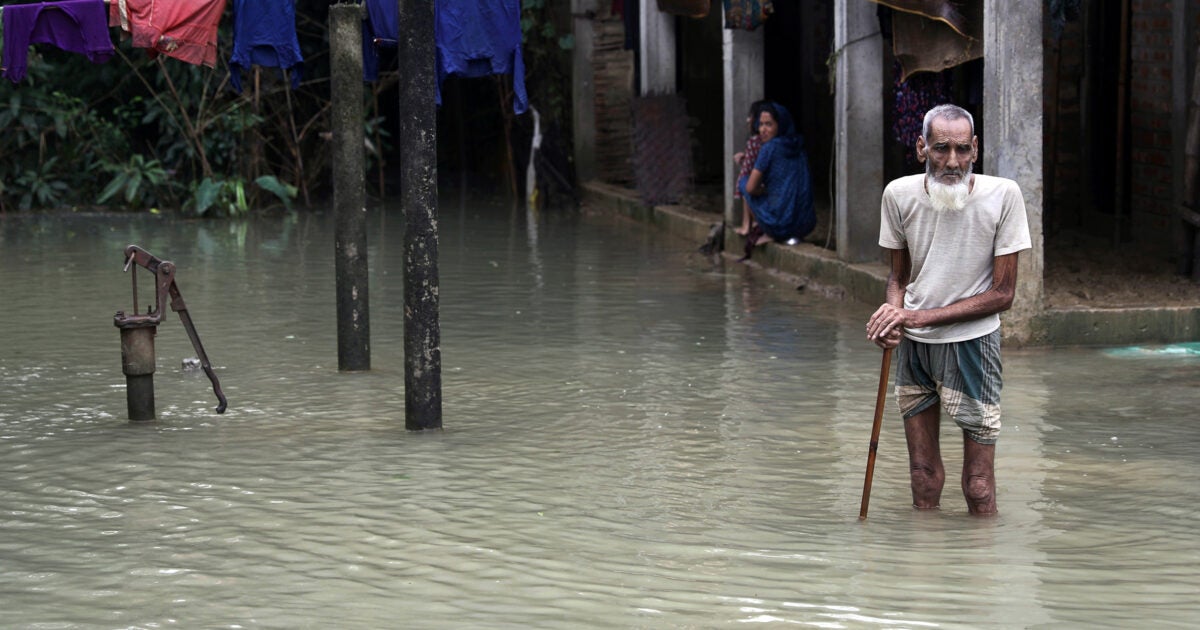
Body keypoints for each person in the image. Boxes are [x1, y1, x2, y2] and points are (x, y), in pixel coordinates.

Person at [865, 104, 1031, 516]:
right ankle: (926, 570)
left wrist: (913, 317)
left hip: (973, 344)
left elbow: (1003, 294)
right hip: (914, 347)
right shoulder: (898, 195)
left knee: (978, 486)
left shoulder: (1003, 195)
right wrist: (891, 317)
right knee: (922, 476)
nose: (952, 161)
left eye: (962, 149)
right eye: (941, 149)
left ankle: (979, 570)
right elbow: (898, 278)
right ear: (921, 147)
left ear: (975, 148)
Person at [737, 102, 816, 257]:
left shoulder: (769, 148)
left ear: (780, 125)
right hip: (807, 225)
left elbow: (751, 188)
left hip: (780, 227)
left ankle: (764, 229)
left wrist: (763, 190)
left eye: (769, 124)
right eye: (761, 125)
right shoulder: (798, 145)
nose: (763, 130)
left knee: (743, 182)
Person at [733, 100, 768, 236]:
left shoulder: (755, 141)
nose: (747, 120)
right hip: (772, 188)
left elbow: (748, 171)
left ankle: (746, 224)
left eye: (751, 116)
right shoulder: (775, 141)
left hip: (762, 188)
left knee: (744, 182)